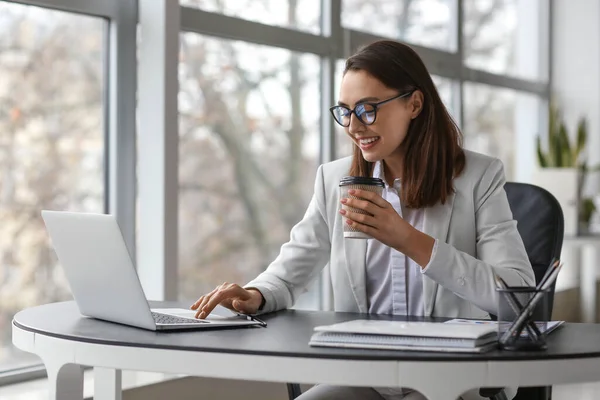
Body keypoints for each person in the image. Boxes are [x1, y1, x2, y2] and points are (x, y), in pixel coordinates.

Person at [190, 40, 535, 400]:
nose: (354, 126)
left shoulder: (478, 177)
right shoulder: (334, 180)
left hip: (450, 380)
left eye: (368, 109)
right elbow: (291, 271)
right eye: (345, 111)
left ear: (414, 104)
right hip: (367, 374)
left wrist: (409, 240)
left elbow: (519, 297)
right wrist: (256, 294)